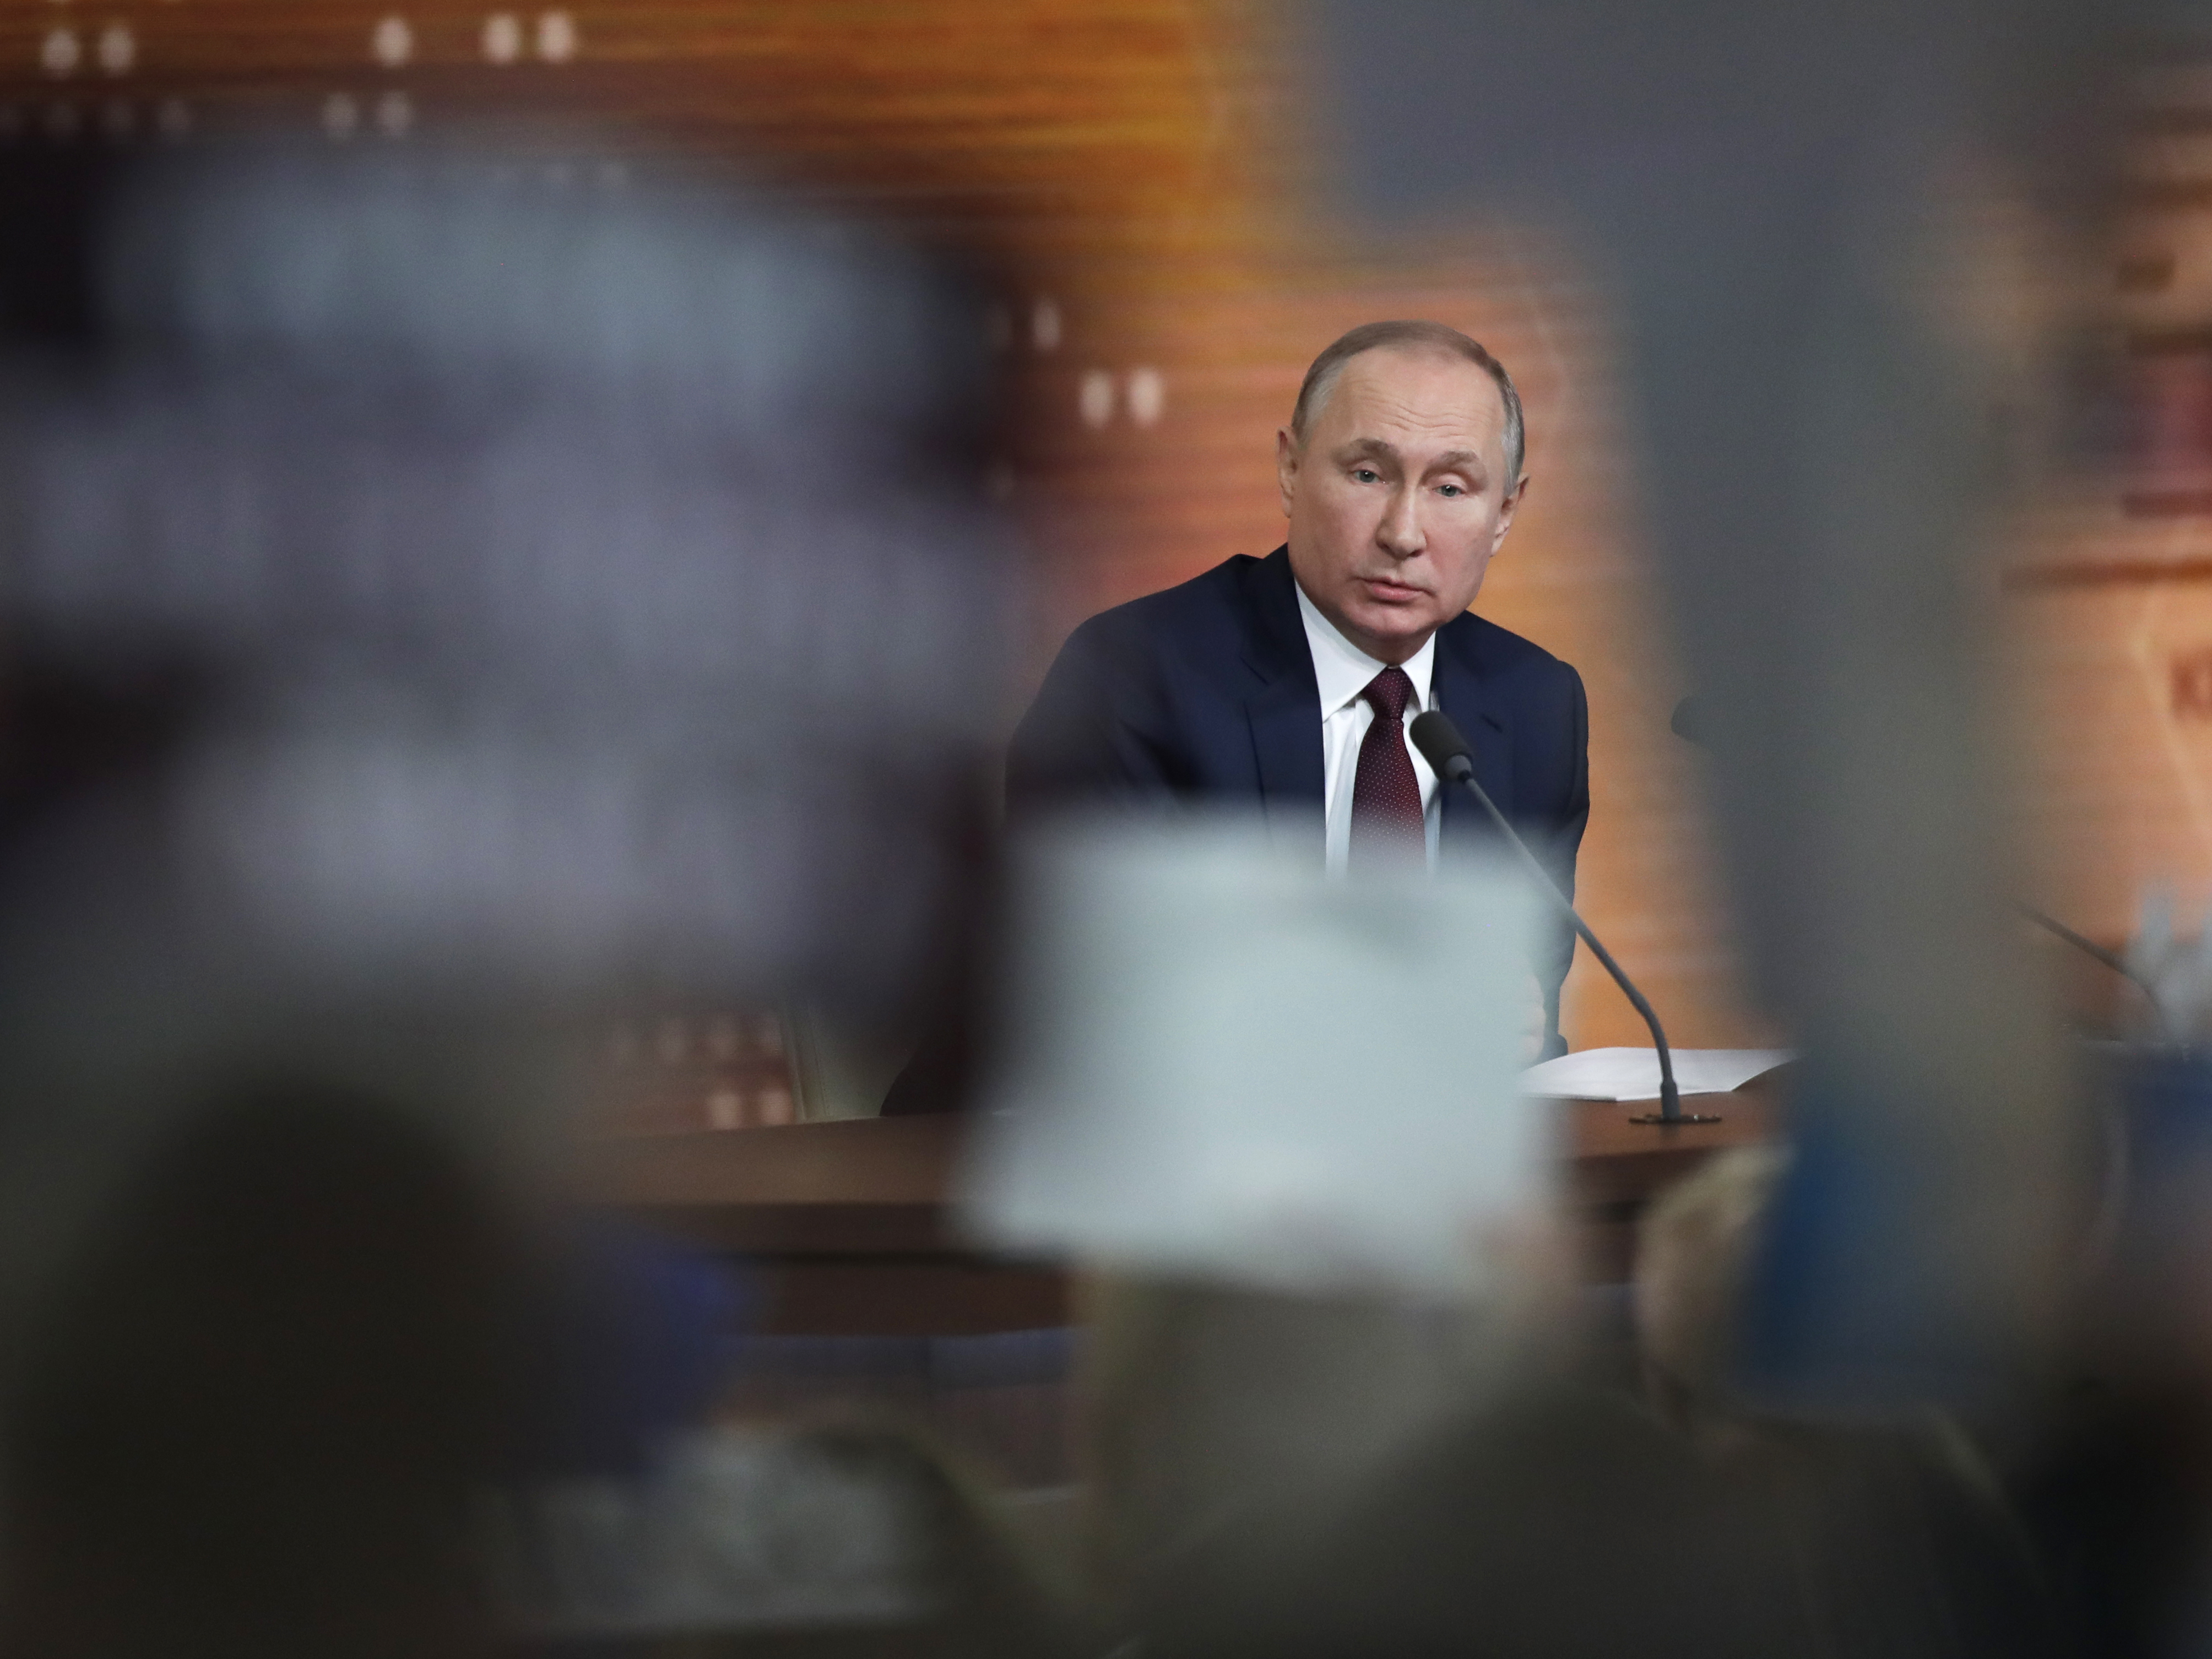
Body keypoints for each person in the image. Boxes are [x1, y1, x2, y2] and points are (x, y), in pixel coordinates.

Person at [1006, 320, 1589, 1051]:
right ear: (1290, 469)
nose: (1403, 533)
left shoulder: (1535, 704)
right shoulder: (1133, 674)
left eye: (1450, 487)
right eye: (1368, 475)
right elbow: (1087, 990)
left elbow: (1525, 994)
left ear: (1504, 513)